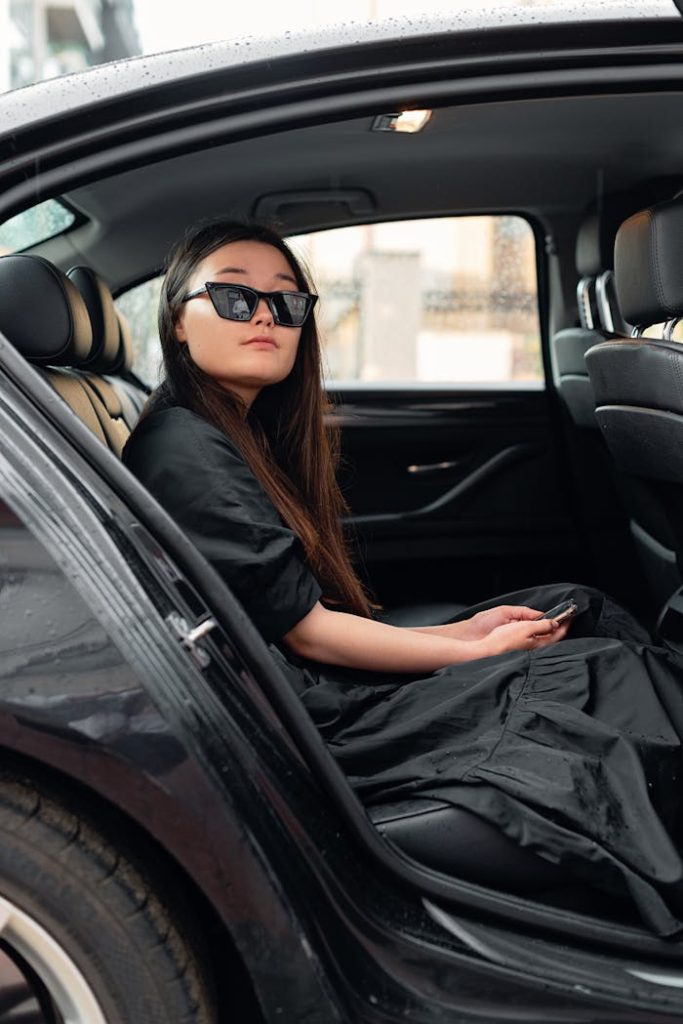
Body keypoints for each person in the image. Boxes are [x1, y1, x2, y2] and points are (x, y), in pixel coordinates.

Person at [123, 220, 683, 936]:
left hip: (299, 688)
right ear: (177, 319)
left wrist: (467, 632)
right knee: (603, 671)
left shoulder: (229, 429)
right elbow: (313, 636)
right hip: (313, 720)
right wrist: (470, 650)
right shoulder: (186, 448)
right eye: (233, 297)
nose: (264, 314)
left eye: (286, 302)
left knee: (573, 610)